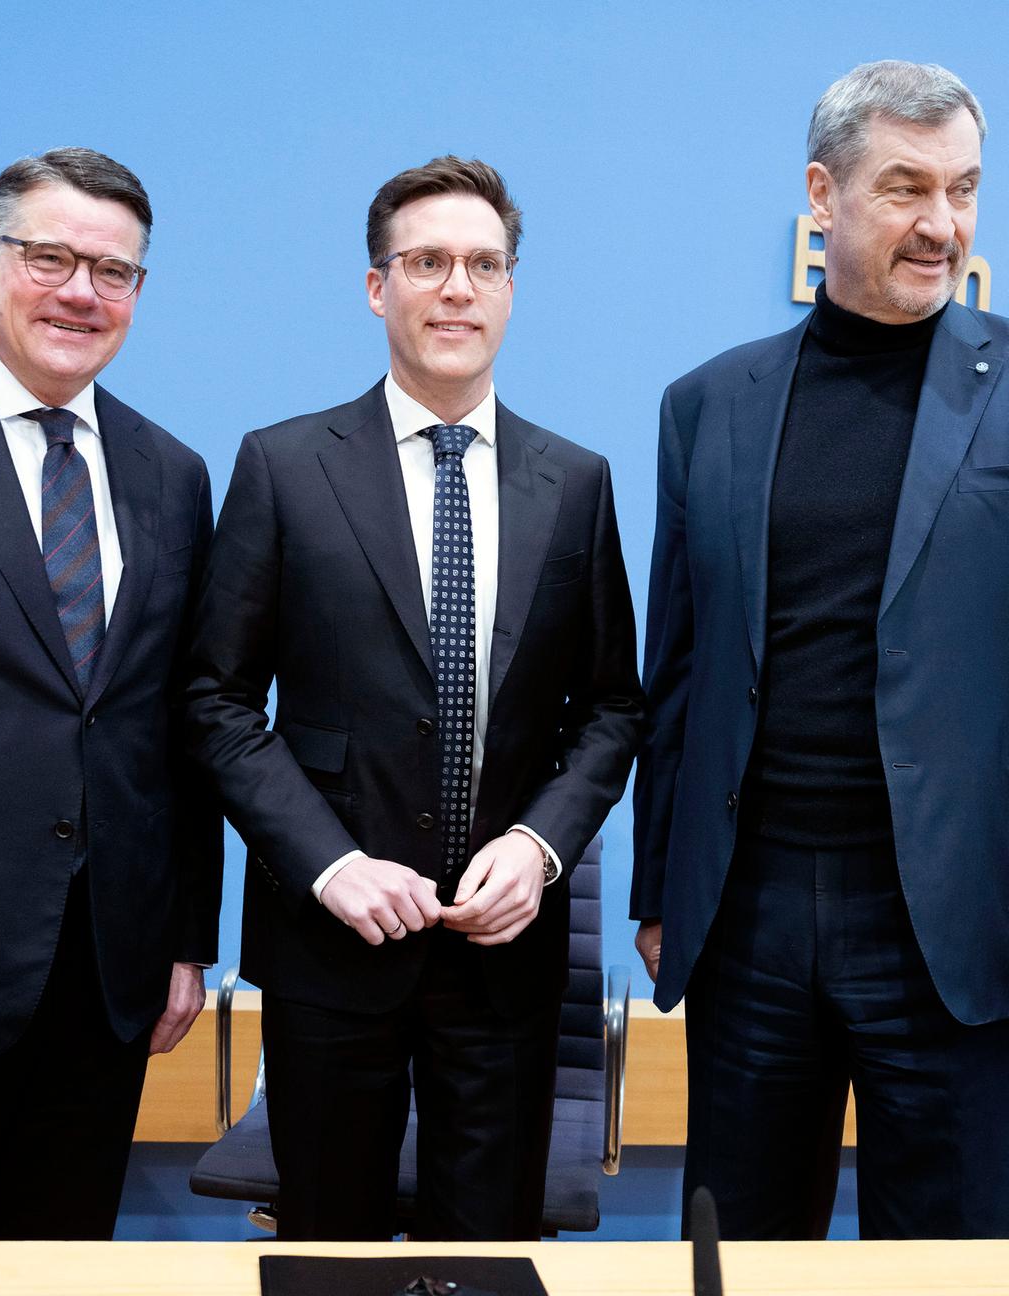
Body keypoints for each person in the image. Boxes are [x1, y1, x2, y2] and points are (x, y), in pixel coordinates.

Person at [188, 155, 644, 1240]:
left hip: (504, 968)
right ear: (376, 285)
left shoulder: (574, 482)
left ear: (511, 290)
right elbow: (215, 699)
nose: (457, 288)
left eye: (484, 264)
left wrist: (540, 849)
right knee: (328, 1252)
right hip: (331, 953)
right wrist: (330, 863)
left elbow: (615, 708)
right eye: (427, 261)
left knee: (487, 1259)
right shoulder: (286, 466)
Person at [632, 60, 1009, 1240]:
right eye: (905, 188)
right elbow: (678, 668)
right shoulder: (709, 405)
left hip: (955, 921)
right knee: (738, 1250)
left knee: (949, 1259)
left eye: (963, 190)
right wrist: (657, 888)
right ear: (821, 192)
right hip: (748, 921)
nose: (940, 225)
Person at [0, 148, 222, 1240]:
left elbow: (176, 725)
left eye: (112, 272)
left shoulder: (173, 474)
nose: (80, 291)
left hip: (99, 991)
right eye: (50, 257)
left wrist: (185, 940)